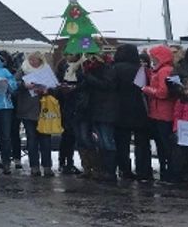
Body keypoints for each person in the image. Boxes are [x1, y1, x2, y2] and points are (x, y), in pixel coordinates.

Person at [74, 52, 119, 182]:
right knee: (100, 141)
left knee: (106, 141)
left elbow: (107, 85)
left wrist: (88, 77)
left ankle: (109, 171)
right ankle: (101, 169)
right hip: (94, 109)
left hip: (105, 109)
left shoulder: (108, 69)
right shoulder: (88, 68)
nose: (89, 59)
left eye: (92, 57)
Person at [140, 45, 178, 183]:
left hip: (163, 114)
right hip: (158, 113)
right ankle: (165, 171)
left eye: (154, 57)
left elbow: (163, 93)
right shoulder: (160, 70)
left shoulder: (164, 71)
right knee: (162, 145)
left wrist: (147, 89)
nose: (152, 59)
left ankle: (169, 172)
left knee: (165, 145)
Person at [111, 44, 149, 181]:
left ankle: (124, 169)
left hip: (119, 108)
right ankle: (142, 170)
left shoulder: (115, 68)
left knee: (122, 143)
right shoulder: (140, 69)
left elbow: (112, 86)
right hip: (138, 108)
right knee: (141, 143)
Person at [14, 51, 55, 176]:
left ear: (40, 60)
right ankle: (34, 166)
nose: (33, 62)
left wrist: (47, 89)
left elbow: (55, 87)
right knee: (31, 139)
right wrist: (24, 85)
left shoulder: (47, 70)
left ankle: (47, 166)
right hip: (27, 109)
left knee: (46, 139)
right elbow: (14, 85)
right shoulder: (23, 70)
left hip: (44, 109)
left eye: (35, 59)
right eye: (30, 59)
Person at [54, 53, 83, 175]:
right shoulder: (62, 67)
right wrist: (62, 89)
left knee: (73, 135)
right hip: (65, 104)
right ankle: (64, 162)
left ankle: (69, 162)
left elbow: (84, 85)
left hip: (78, 105)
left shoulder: (82, 68)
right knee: (67, 135)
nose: (69, 56)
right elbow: (55, 85)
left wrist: (75, 88)